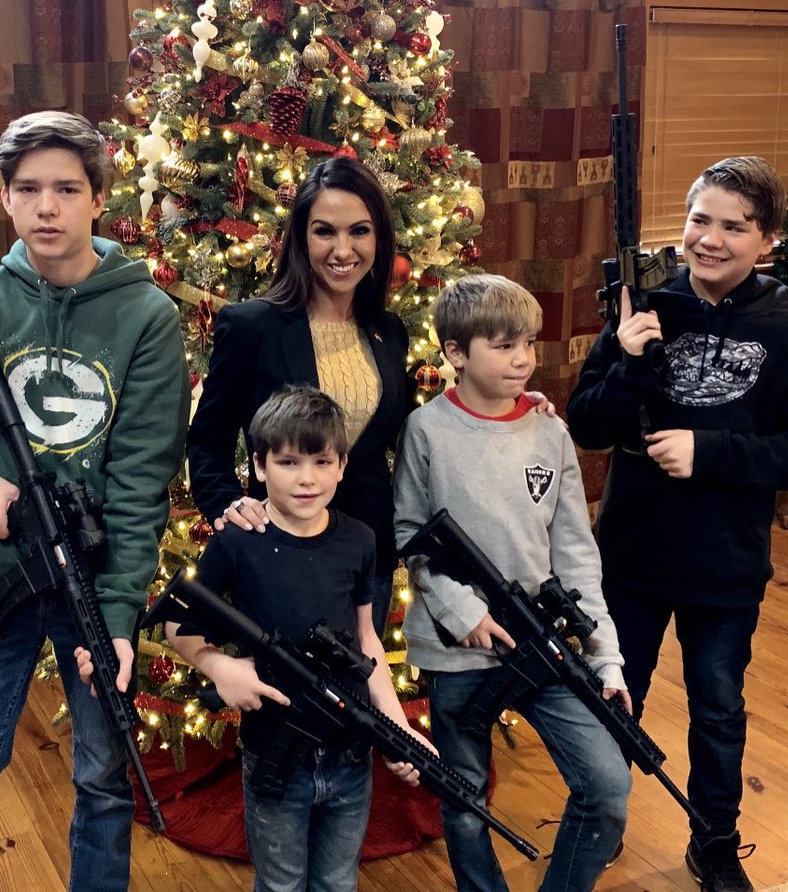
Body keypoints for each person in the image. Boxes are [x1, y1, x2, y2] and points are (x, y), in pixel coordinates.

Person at [0, 110, 191, 892]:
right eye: (27, 189)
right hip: (1, 575)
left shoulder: (147, 316)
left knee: (102, 780)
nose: (46, 207)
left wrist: (116, 620)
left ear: (99, 197)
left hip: (94, 579)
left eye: (67, 189)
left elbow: (140, 480)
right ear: (4, 196)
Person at [566, 156, 788, 892]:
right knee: (615, 695)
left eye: (735, 227)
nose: (710, 239)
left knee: (718, 709)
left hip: (725, 564)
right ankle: (599, 820)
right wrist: (628, 361)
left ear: (768, 241)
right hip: (631, 555)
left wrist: (712, 452)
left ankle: (715, 842)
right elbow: (587, 423)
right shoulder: (642, 303)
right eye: (700, 220)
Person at [394, 274, 634, 892]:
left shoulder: (550, 431)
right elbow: (411, 535)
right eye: (503, 346)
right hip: (458, 653)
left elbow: (576, 552)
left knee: (608, 785)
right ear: (455, 352)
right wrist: (463, 613)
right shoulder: (427, 430)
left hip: (543, 644)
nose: (523, 358)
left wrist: (606, 658)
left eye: (527, 343)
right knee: (466, 800)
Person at [161, 385, 435, 892]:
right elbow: (178, 625)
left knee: (337, 882)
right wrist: (220, 667)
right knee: (280, 885)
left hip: (350, 757)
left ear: (342, 466)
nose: (307, 478)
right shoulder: (238, 541)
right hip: (274, 756)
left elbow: (366, 640)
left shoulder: (359, 540)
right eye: (288, 462)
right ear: (259, 466)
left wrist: (397, 727)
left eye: (321, 461)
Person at [187, 157, 407, 634]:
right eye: (325, 231)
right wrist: (227, 505)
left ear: (379, 239)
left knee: (363, 678)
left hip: (367, 560)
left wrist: (506, 407)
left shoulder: (389, 331)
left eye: (360, 231)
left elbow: (404, 435)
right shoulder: (252, 326)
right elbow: (207, 441)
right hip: (278, 554)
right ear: (302, 239)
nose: (343, 249)